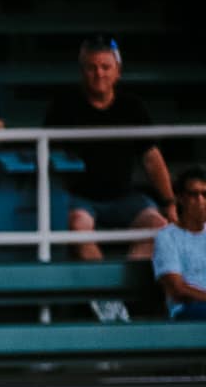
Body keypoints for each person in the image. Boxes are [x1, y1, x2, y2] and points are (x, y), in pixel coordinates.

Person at [43, 37, 173, 265]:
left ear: (118, 72)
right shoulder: (63, 106)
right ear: (82, 71)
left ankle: (120, 290)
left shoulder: (132, 106)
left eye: (105, 67)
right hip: (80, 199)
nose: (99, 74)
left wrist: (169, 202)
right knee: (77, 226)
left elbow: (152, 158)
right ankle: (107, 299)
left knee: (159, 227)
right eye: (91, 67)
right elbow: (46, 156)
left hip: (125, 197)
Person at [153, 166, 206, 320]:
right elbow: (177, 289)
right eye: (193, 194)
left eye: (205, 194)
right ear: (181, 199)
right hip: (187, 308)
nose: (200, 201)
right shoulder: (167, 237)